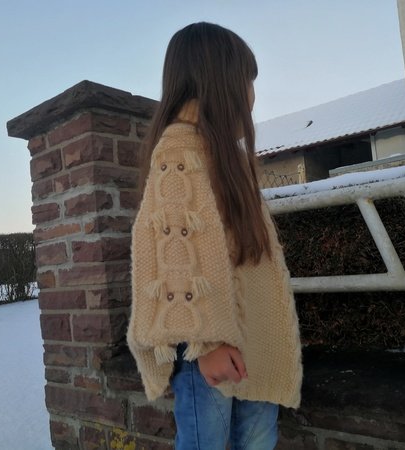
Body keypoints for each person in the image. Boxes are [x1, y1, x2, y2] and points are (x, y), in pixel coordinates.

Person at [127, 22, 302, 450]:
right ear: (219, 81)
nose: (252, 95)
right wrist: (207, 343)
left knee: (258, 440)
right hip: (208, 349)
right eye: (247, 81)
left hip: (253, 338)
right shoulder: (178, 150)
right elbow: (173, 249)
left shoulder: (223, 154)